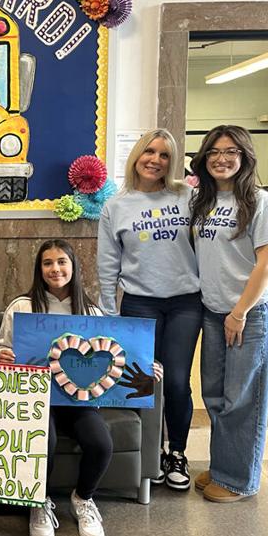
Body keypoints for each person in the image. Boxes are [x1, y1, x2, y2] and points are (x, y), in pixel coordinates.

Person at [98, 129, 202, 491]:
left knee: (175, 380)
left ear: (172, 162)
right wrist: (110, 315)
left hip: (185, 302)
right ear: (137, 155)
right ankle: (151, 452)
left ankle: (177, 452)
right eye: (150, 152)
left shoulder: (187, 196)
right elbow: (107, 265)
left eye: (164, 155)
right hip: (140, 302)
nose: (155, 160)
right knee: (142, 381)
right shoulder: (116, 206)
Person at [0, 239, 112, 536]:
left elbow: (113, 353)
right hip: (35, 398)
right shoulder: (21, 306)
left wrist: (144, 363)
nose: (55, 269)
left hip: (79, 400)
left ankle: (83, 499)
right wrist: (2, 356)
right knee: (44, 440)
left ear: (73, 267)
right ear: (39, 269)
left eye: (62, 262)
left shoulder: (92, 311)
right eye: (48, 263)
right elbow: (1, 348)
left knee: (101, 444)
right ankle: (39, 503)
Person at [189, 125, 268, 503]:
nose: (221, 158)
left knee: (243, 399)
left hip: (249, 314)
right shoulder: (203, 200)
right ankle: (225, 463)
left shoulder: (260, 202)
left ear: (244, 157)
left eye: (230, 152)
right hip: (214, 312)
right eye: (213, 152)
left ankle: (239, 479)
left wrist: (239, 312)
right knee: (215, 395)